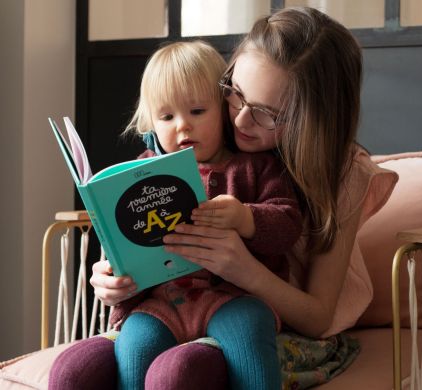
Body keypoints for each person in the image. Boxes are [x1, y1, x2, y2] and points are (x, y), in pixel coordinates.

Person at [76, 6, 395, 389]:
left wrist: (241, 265)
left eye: (267, 114)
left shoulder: (342, 174)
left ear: (314, 121)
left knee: (180, 372)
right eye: (234, 93)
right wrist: (112, 272)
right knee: (82, 367)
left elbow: (317, 317)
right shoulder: (197, 135)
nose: (241, 121)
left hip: (262, 311)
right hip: (172, 306)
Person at [48, 39, 302, 390]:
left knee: (250, 328)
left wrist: (246, 217)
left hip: (232, 296)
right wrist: (112, 274)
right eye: (167, 117)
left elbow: (288, 223)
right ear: (150, 122)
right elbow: (121, 242)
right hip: (160, 302)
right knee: (135, 346)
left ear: (223, 108)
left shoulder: (255, 167)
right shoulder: (140, 172)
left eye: (198, 112)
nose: (183, 126)